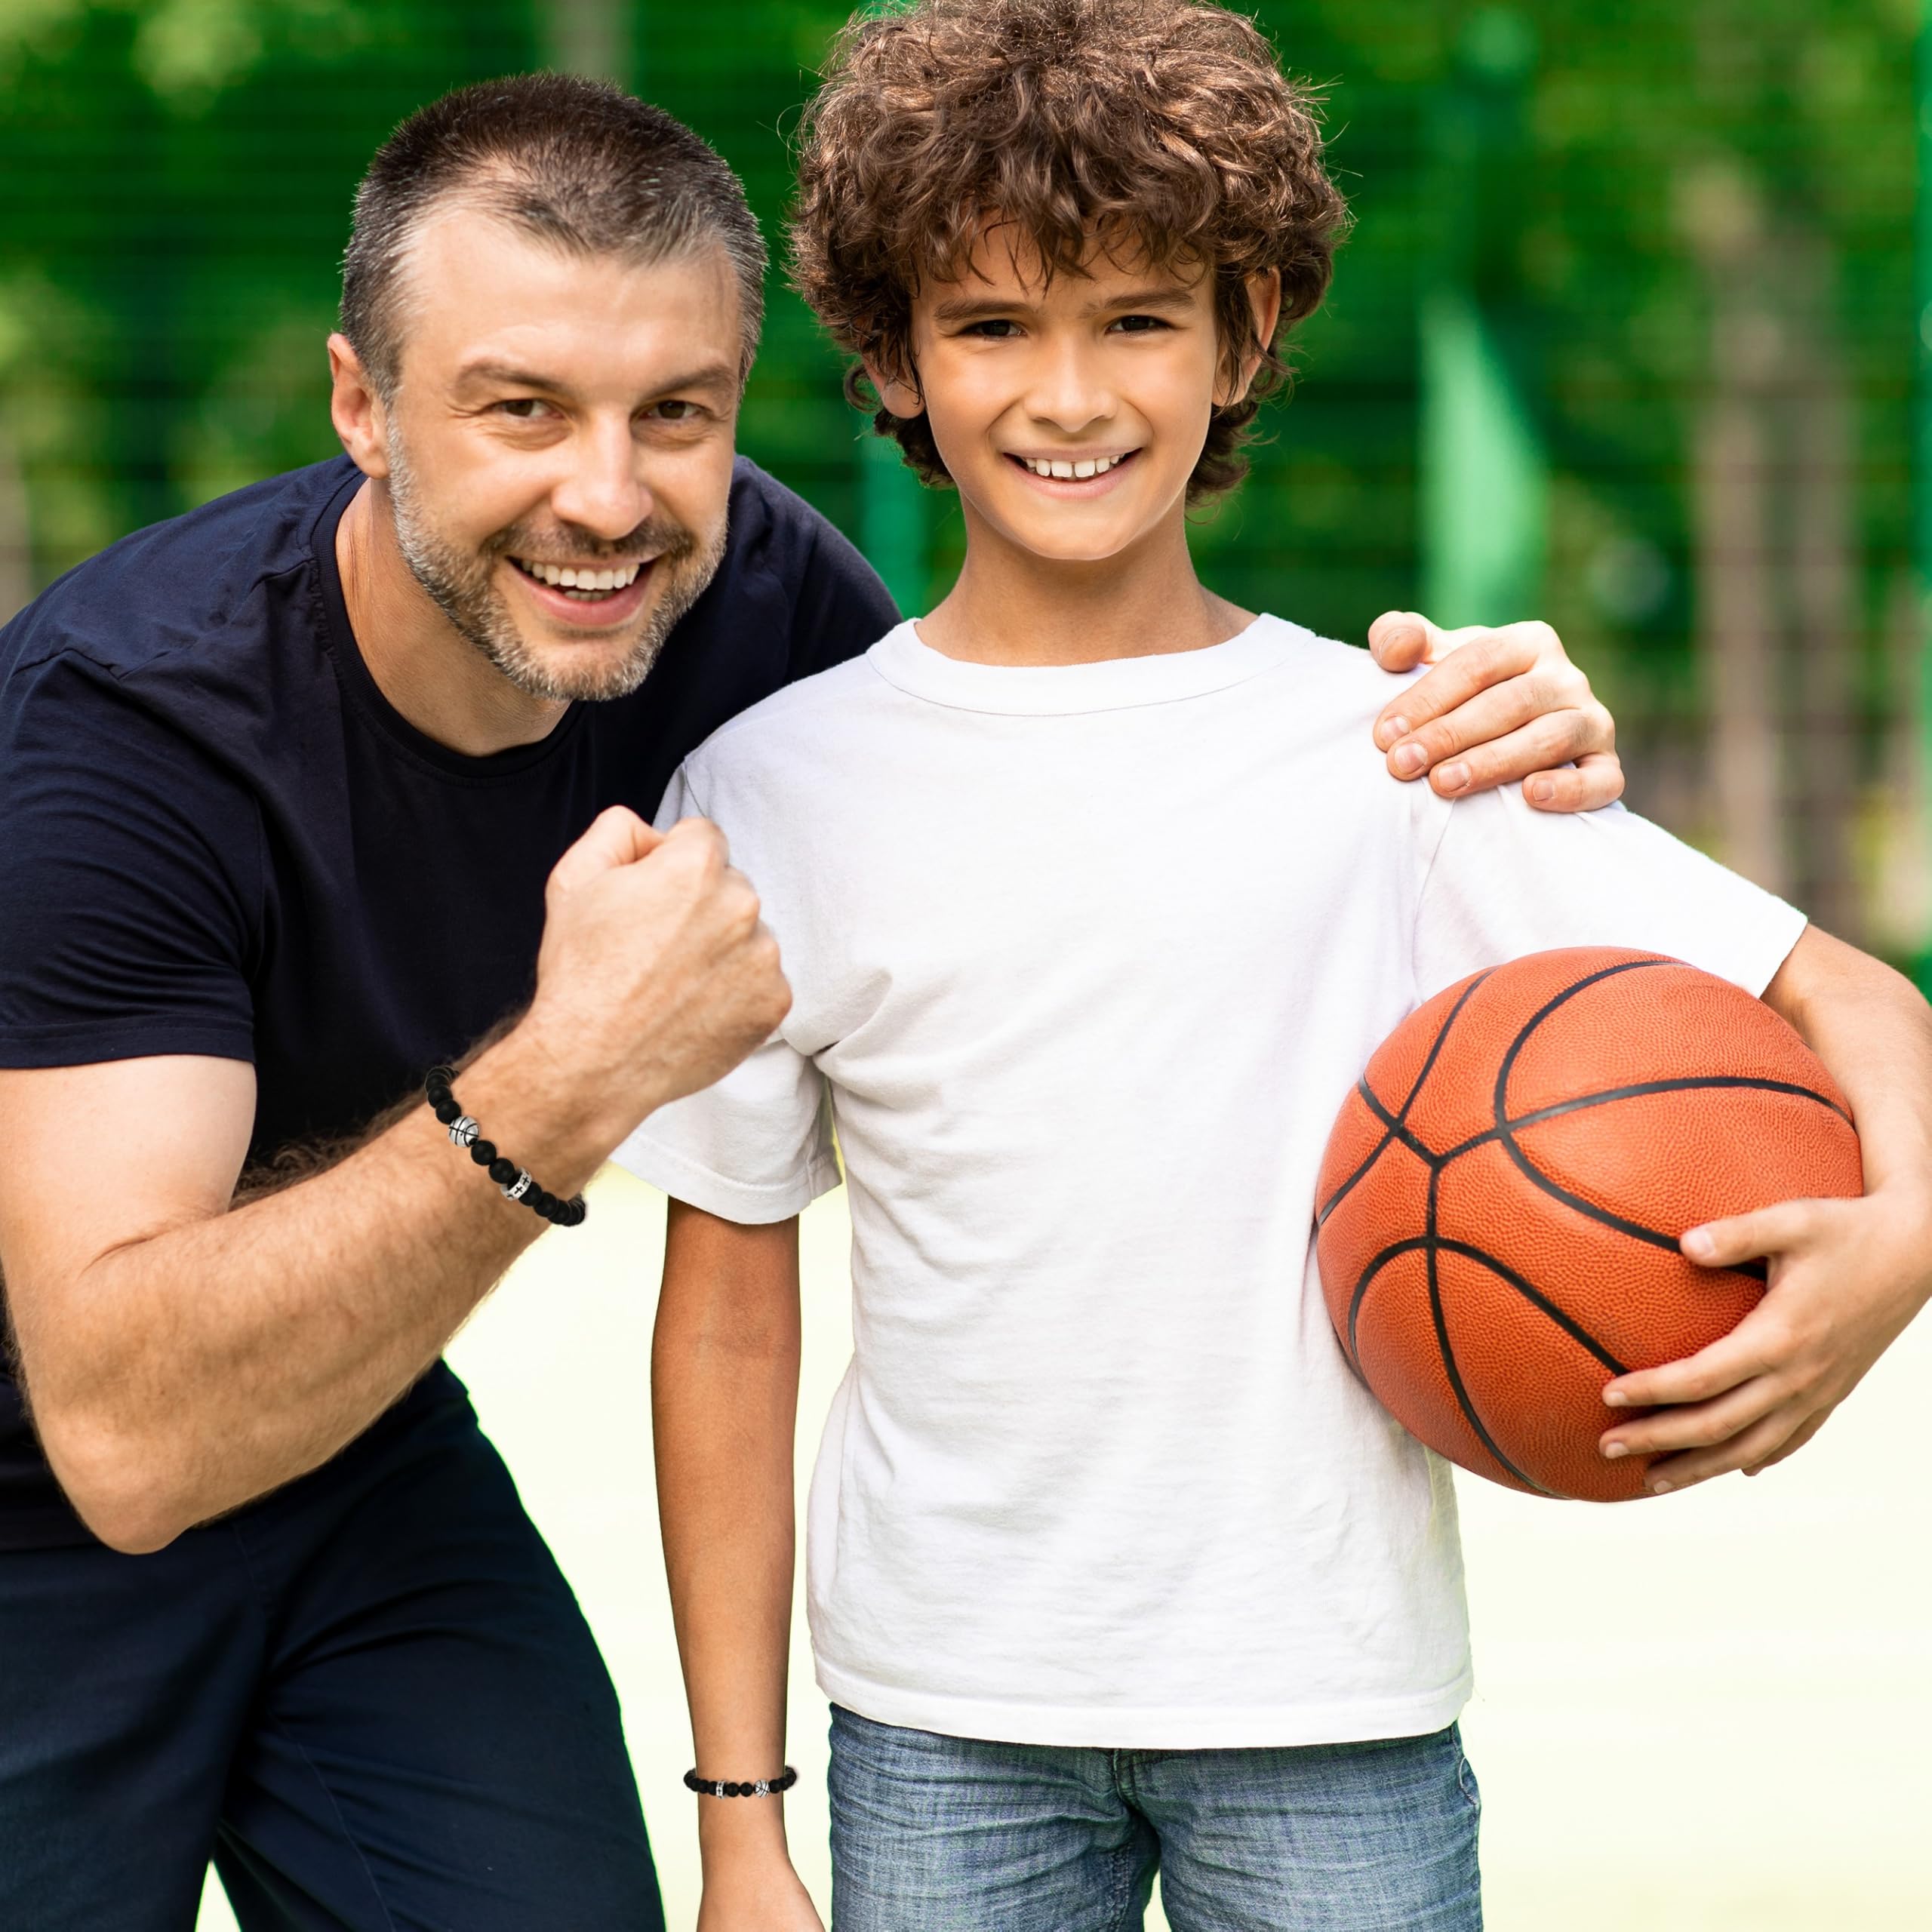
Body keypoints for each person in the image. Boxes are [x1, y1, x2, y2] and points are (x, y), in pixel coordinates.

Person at [0, 72, 1618, 1932]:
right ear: (361, 405)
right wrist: (558, 1082)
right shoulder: (123, 734)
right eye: (520, 407)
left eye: (671, 413)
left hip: (350, 1437)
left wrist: (1504, 735)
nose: (603, 497)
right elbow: (127, 1443)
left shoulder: (750, 606)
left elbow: (1036, 791)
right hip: (41, 1481)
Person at [627, 6, 1932, 1929]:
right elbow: (729, 1318)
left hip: (1328, 1706)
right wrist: (742, 1820)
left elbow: (1852, 994)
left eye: (1136, 317)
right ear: (894, 351)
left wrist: (1897, 1238)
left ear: (1242, 331)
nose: (1066, 393)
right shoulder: (773, 787)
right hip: (935, 1722)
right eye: (992, 326)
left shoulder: (1402, 746)